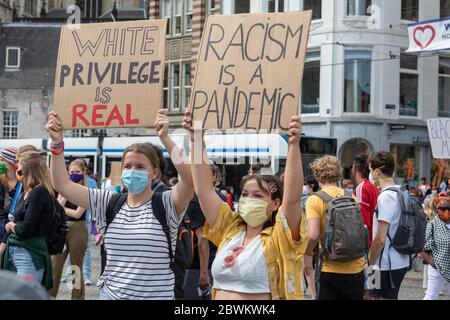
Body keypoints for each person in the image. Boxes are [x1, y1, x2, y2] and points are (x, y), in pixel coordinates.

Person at [46, 110, 194, 300]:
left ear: (155, 173)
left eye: (140, 167)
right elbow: (61, 184)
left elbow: (190, 181)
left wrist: (165, 138)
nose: (133, 171)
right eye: (128, 166)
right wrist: (57, 143)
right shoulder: (108, 202)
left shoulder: (166, 204)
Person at [184, 111, 308, 300]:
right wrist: (196, 139)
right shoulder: (230, 228)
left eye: (257, 195)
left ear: (275, 204)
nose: (248, 199)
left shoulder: (281, 235)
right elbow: (204, 190)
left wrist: (293, 145)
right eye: (244, 194)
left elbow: (292, 198)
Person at [305, 156, 366, 300]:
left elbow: (313, 235)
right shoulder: (352, 197)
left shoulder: (314, 200)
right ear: (338, 173)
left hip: (329, 268)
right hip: (356, 268)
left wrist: (307, 251)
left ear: (317, 175)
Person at [0, 151, 53, 289]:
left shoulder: (38, 192)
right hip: (15, 252)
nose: (16, 168)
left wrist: (11, 225)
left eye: (19, 165)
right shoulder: (26, 191)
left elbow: (25, 229)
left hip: (29, 255)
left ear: (28, 170)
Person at [368, 151, 410, 300]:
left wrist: (369, 262)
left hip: (383, 264)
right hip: (400, 261)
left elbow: (380, 239)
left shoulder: (385, 197)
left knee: (373, 296)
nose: (371, 174)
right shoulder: (401, 192)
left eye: (371, 170)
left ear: (378, 171)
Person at [183, 166, 228, 300]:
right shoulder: (220, 198)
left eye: (209, 174)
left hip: (199, 266)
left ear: (215, 177)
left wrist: (203, 273)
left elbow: (203, 237)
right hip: (217, 261)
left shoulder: (195, 201)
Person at [49, 159, 88, 300]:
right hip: (61, 228)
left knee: (75, 268)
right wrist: (66, 192)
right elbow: (56, 208)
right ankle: (49, 295)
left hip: (78, 229)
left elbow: (77, 213)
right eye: (71, 172)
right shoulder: (64, 188)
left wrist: (61, 208)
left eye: (77, 172)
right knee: (54, 266)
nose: (74, 174)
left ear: (83, 173)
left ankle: (77, 298)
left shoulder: (86, 191)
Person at [421, 193, 450, 300]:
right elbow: (423, 248)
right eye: (442, 208)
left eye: (448, 207)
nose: (445, 210)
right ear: (437, 209)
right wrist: (434, 264)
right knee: (431, 296)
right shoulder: (432, 225)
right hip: (436, 268)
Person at [352, 153, 380, 245]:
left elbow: (363, 222)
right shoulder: (374, 187)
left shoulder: (362, 188)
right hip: (375, 240)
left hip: (367, 244)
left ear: (354, 168)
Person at [0, 147, 20, 241]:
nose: (0, 162)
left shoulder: (22, 183)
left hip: (14, 228)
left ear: (11, 163)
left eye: (2, 160)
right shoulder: (1, 179)